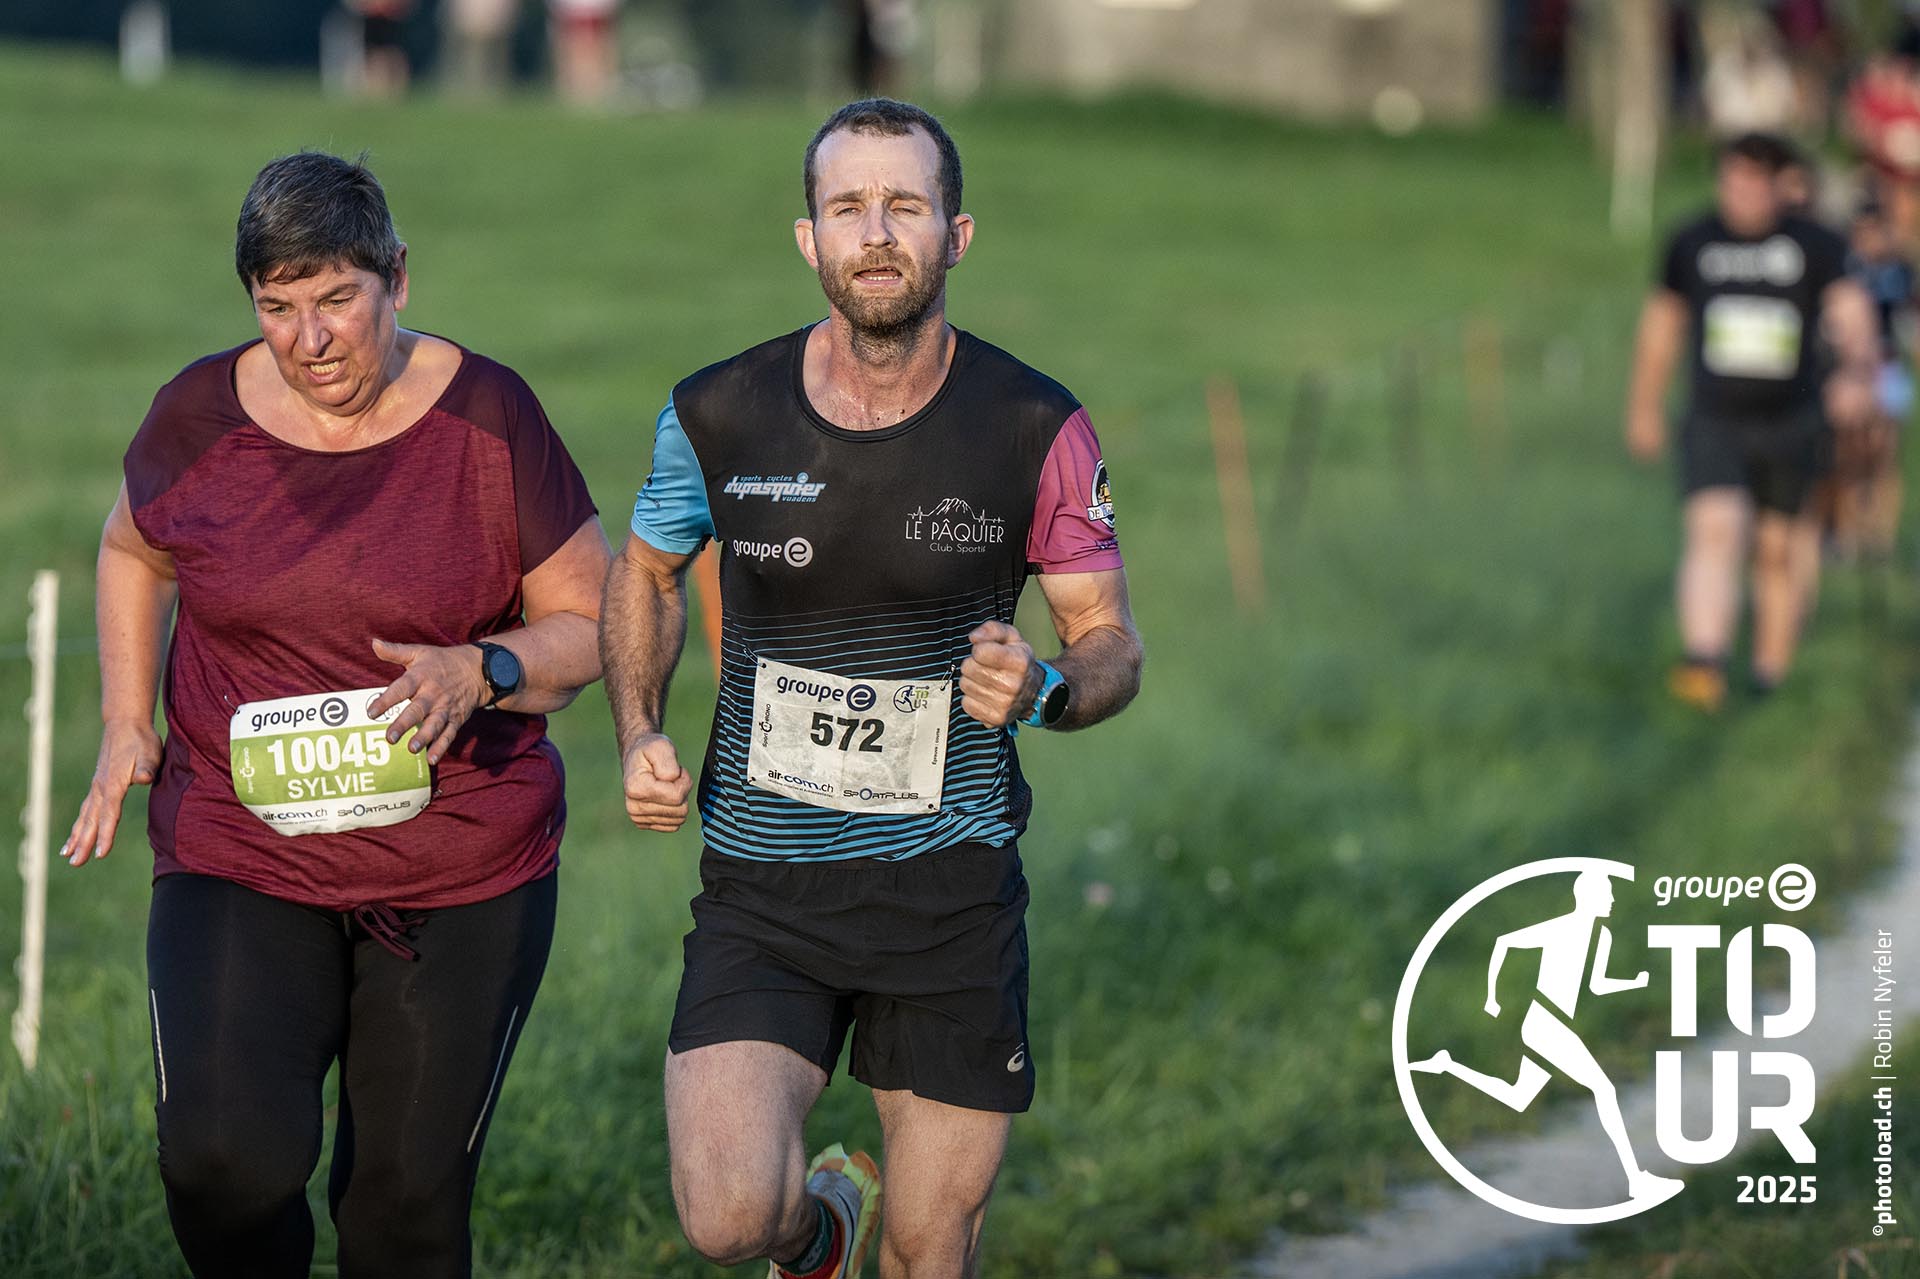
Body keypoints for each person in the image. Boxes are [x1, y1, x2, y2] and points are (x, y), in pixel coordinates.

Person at [601, 98, 1143, 1279]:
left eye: (906, 204)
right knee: (731, 1216)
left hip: (950, 893)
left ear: (957, 233)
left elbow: (1108, 638)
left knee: (929, 1250)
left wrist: (1048, 687)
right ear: (810, 238)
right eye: (849, 207)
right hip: (764, 887)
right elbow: (645, 570)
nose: (878, 232)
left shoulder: (1036, 424)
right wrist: (639, 729)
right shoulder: (716, 412)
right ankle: (820, 1233)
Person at [61, 151, 610, 1278]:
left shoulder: (490, 415)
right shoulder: (197, 416)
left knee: (403, 1214)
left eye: (336, 300)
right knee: (220, 1164)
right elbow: (131, 546)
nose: (309, 339)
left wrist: (483, 668)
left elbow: (594, 621)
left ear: (396, 278)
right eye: (277, 307)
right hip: (241, 845)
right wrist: (126, 718)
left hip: (459, 863)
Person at [1624, 132, 1876, 710]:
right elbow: (1662, 324)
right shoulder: (1692, 241)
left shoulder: (1814, 245)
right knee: (1716, 528)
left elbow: (1852, 315)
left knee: (1776, 550)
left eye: (1756, 182)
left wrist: (1856, 374)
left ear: (1781, 186)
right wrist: (1643, 404)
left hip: (1791, 419)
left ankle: (1769, 674)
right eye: (1733, 180)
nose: (1742, 193)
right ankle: (1704, 662)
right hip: (1715, 417)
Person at [1410, 870, 1682, 1207]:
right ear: (1588, 897)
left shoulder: (1602, 936)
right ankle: (1637, 1180)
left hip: (1552, 1023)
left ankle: (1448, 1065)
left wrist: (1633, 982)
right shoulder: (1560, 928)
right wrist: (1492, 997)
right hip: (1545, 1021)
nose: (1613, 899)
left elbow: (1597, 985)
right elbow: (1504, 942)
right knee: (1605, 1089)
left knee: (1517, 1097)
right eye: (1607, 893)